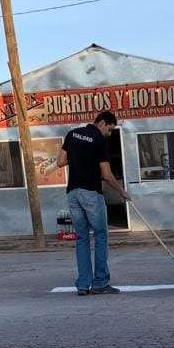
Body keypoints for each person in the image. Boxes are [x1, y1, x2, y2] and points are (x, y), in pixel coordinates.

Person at [58, 111, 130, 295]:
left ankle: (83, 285)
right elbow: (106, 174)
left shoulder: (72, 134)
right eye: (110, 128)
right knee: (100, 236)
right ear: (102, 123)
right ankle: (100, 283)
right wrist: (121, 191)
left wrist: (78, 157)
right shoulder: (99, 140)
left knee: (82, 238)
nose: (110, 133)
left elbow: (60, 161)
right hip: (90, 192)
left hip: (73, 193)